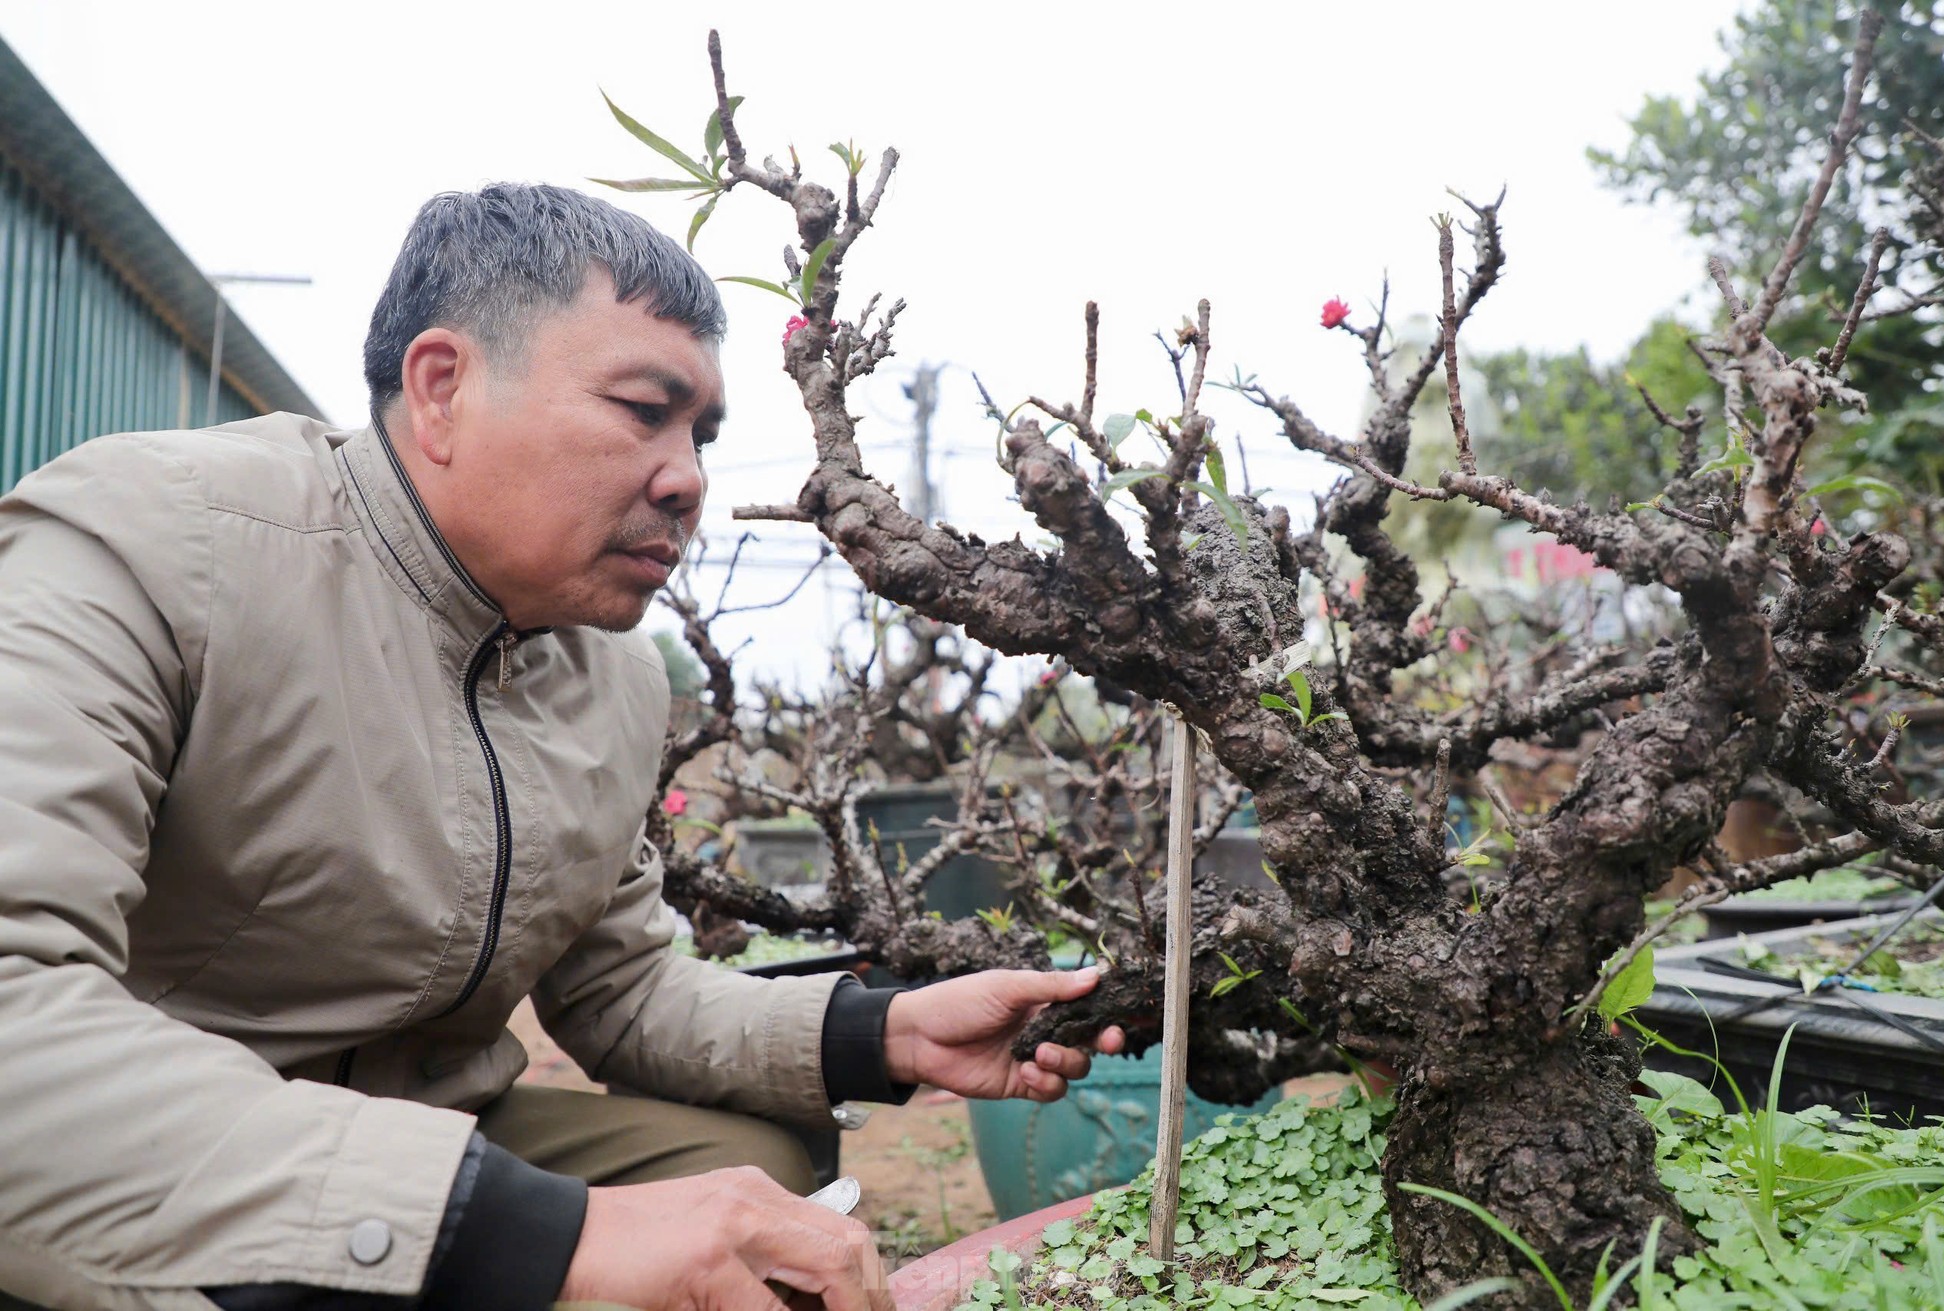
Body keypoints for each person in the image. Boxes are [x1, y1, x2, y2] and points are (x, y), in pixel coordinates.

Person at [0, 182, 1122, 1311]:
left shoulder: (611, 676)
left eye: (700, 434)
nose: (686, 478)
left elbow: (621, 992)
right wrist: (529, 1235)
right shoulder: (151, 547)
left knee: (763, 1183)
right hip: (149, 1151)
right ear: (443, 389)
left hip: (438, 1126)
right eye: (644, 410)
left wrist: (881, 1031)